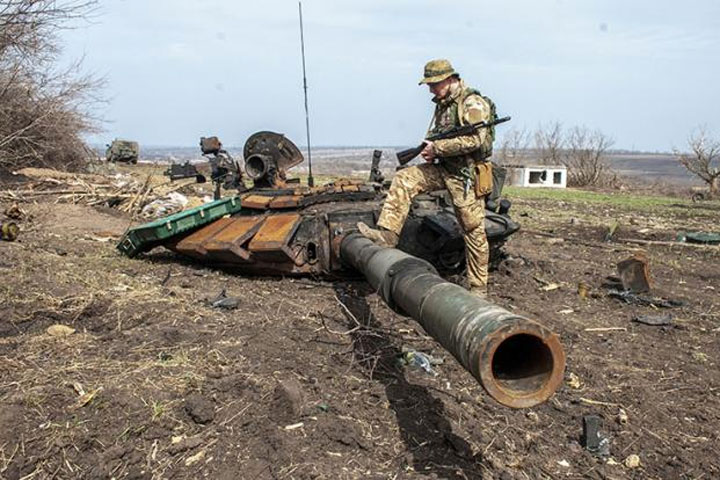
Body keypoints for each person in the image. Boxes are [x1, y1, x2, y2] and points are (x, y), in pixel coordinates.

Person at [358, 59, 496, 297]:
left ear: (450, 79)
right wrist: (430, 151)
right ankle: (387, 235)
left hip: (466, 176)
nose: (431, 90)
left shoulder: (472, 103)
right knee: (404, 179)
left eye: (434, 84)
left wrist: (438, 149)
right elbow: (437, 137)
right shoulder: (442, 104)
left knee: (472, 230)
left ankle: (478, 288)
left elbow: (477, 140)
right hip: (444, 169)